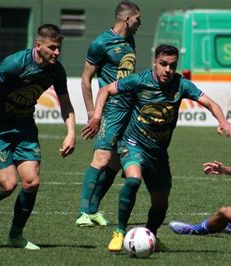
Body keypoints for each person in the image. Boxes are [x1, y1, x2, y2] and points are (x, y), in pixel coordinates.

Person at [82, 44, 231, 252]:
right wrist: (97, 115)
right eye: (163, 64)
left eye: (172, 66)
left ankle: (150, 235)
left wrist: (222, 120)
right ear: (154, 62)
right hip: (132, 144)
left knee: (161, 203)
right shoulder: (139, 80)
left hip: (158, 154)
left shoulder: (181, 84)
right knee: (133, 179)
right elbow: (105, 89)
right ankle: (119, 232)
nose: (168, 70)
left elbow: (209, 103)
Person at [0, 24, 76, 250]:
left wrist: (71, 133)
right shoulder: (16, 63)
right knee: (8, 185)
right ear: (38, 46)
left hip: (25, 126)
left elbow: (65, 104)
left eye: (59, 48)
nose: (57, 52)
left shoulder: (56, 70)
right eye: (52, 47)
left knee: (31, 182)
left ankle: (16, 236)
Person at [76, 1, 141, 227]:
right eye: (137, 19)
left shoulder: (130, 40)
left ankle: (93, 210)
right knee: (101, 159)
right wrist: (93, 111)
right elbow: (86, 78)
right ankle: (83, 212)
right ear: (127, 18)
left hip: (129, 109)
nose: (140, 23)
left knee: (114, 164)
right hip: (111, 109)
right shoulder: (101, 43)